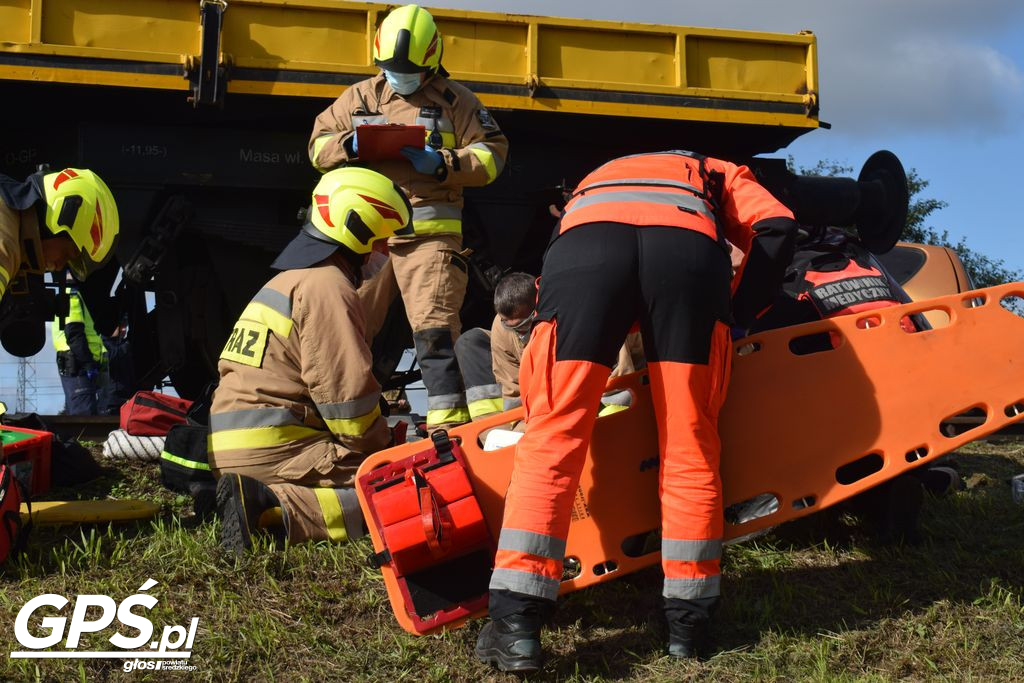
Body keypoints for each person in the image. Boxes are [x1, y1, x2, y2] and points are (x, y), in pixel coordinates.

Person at [474, 151, 799, 672]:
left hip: (585, 250)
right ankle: (687, 625)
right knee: (690, 445)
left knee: (552, 439)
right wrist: (737, 310)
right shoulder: (714, 170)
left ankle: (516, 627)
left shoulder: (599, 173)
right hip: (689, 256)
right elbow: (778, 226)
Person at [308, 4, 510, 432]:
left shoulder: (457, 101)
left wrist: (443, 163)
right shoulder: (360, 97)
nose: (399, 76)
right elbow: (317, 147)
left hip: (427, 236)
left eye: (409, 69)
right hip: (368, 236)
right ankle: (335, 419)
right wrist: (352, 145)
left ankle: (447, 428)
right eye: (390, 68)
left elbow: (492, 157)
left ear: (432, 61)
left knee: (435, 331)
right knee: (346, 325)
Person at [210, 167, 413, 553]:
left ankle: (249, 495)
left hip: (235, 452)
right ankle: (269, 505)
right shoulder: (329, 287)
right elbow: (348, 405)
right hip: (278, 451)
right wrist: (384, 447)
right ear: (358, 231)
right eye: (383, 239)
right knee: (400, 488)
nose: (385, 253)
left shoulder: (287, 281)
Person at [456, 272, 644, 421]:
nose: (520, 334)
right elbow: (512, 388)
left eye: (524, 326)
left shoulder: (573, 306)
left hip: (628, 384)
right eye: (510, 325)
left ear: (539, 306)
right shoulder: (502, 328)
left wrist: (611, 422)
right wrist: (520, 431)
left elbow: (618, 368)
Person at [0, 168, 119, 352]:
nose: (59, 267)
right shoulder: (5, 241)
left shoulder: (13, 228)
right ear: (60, 220)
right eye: (68, 254)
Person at [52, 281, 107, 415]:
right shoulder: (73, 296)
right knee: (84, 414)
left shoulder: (73, 295)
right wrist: (88, 364)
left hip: (78, 363)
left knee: (81, 410)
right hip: (78, 364)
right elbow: (74, 333)